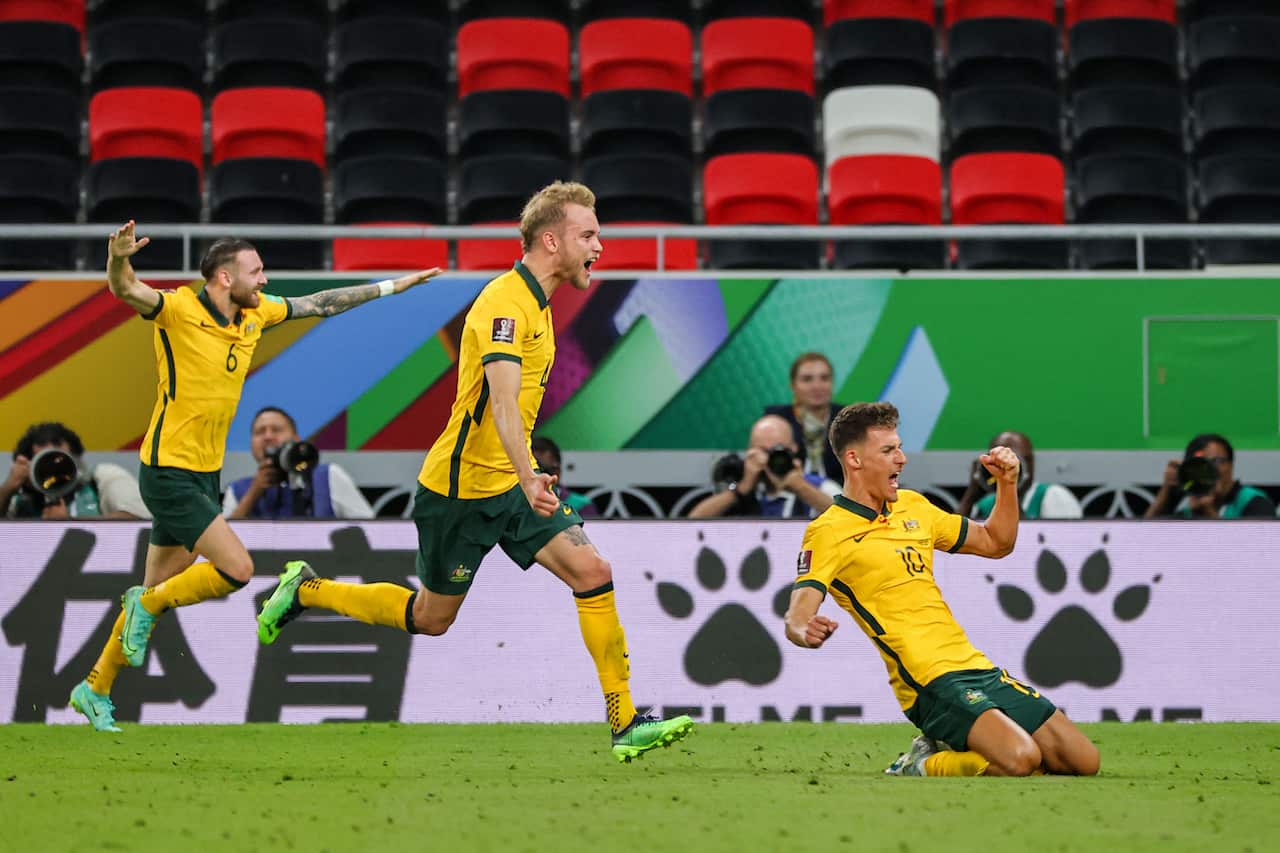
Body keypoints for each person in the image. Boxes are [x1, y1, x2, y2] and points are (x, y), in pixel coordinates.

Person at [254, 182, 694, 763]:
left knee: (592, 571)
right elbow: (503, 402)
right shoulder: (503, 304)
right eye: (588, 235)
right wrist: (529, 472)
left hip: (510, 484)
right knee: (431, 618)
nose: (600, 247)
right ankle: (305, 588)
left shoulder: (537, 304)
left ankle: (624, 721)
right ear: (550, 239)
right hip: (459, 491)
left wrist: (523, 475)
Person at [67, 221, 441, 732]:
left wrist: (390, 287)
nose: (264, 280)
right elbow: (124, 288)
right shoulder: (178, 311)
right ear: (223, 277)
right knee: (236, 570)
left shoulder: (254, 315)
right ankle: (143, 605)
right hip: (168, 471)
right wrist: (116, 258)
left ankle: (94, 686)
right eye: (255, 271)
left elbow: (321, 303)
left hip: (204, 473)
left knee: (158, 589)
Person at [784, 402, 1099, 778]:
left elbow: (996, 542)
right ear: (854, 459)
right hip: (926, 682)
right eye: (888, 451)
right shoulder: (828, 531)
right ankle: (921, 762)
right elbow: (798, 613)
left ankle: (959, 743)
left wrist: (1007, 484)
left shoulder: (914, 506)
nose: (901, 459)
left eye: (899, 447)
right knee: (1020, 759)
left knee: (1082, 761)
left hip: (974, 667)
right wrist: (805, 629)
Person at [222, 406, 375, 519]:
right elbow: (221, 544)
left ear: (296, 439)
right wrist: (253, 493)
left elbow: (371, 530)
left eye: (276, 430)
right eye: (260, 432)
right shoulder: (237, 490)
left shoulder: (328, 476)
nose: (268, 437)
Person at [688, 414, 838, 519]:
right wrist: (741, 489)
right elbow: (692, 523)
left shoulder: (819, 486)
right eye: (763, 451)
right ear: (749, 451)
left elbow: (852, 521)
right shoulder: (743, 491)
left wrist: (800, 487)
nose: (769, 459)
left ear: (793, 449)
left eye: (777, 451)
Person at [2, 422, 149, 520]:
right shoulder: (22, 501)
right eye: (44, 463)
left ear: (76, 457)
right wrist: (8, 487)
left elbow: (140, 518)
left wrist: (69, 524)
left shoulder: (103, 477)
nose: (54, 470)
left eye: (60, 460)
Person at [1143, 432, 1276, 519]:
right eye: (1201, 465)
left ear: (1231, 465)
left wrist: (1209, 513)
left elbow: (1253, 555)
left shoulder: (1254, 502)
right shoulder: (1189, 510)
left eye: (1216, 461)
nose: (1210, 470)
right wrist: (1165, 490)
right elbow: (1142, 541)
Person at [957, 430, 1082, 520]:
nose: (1009, 465)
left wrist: (1010, 490)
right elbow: (951, 543)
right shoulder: (984, 505)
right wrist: (971, 495)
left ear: (1031, 463)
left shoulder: (1053, 496)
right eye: (1000, 460)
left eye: (1016, 460)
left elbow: (1060, 546)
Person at [764, 351, 844, 484]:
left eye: (824, 378)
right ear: (793, 385)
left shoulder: (850, 419)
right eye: (807, 379)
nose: (817, 386)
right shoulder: (776, 421)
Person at [531, 435, 597, 517]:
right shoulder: (516, 506)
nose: (542, 477)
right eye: (535, 472)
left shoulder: (581, 505)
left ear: (558, 471)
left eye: (546, 471)